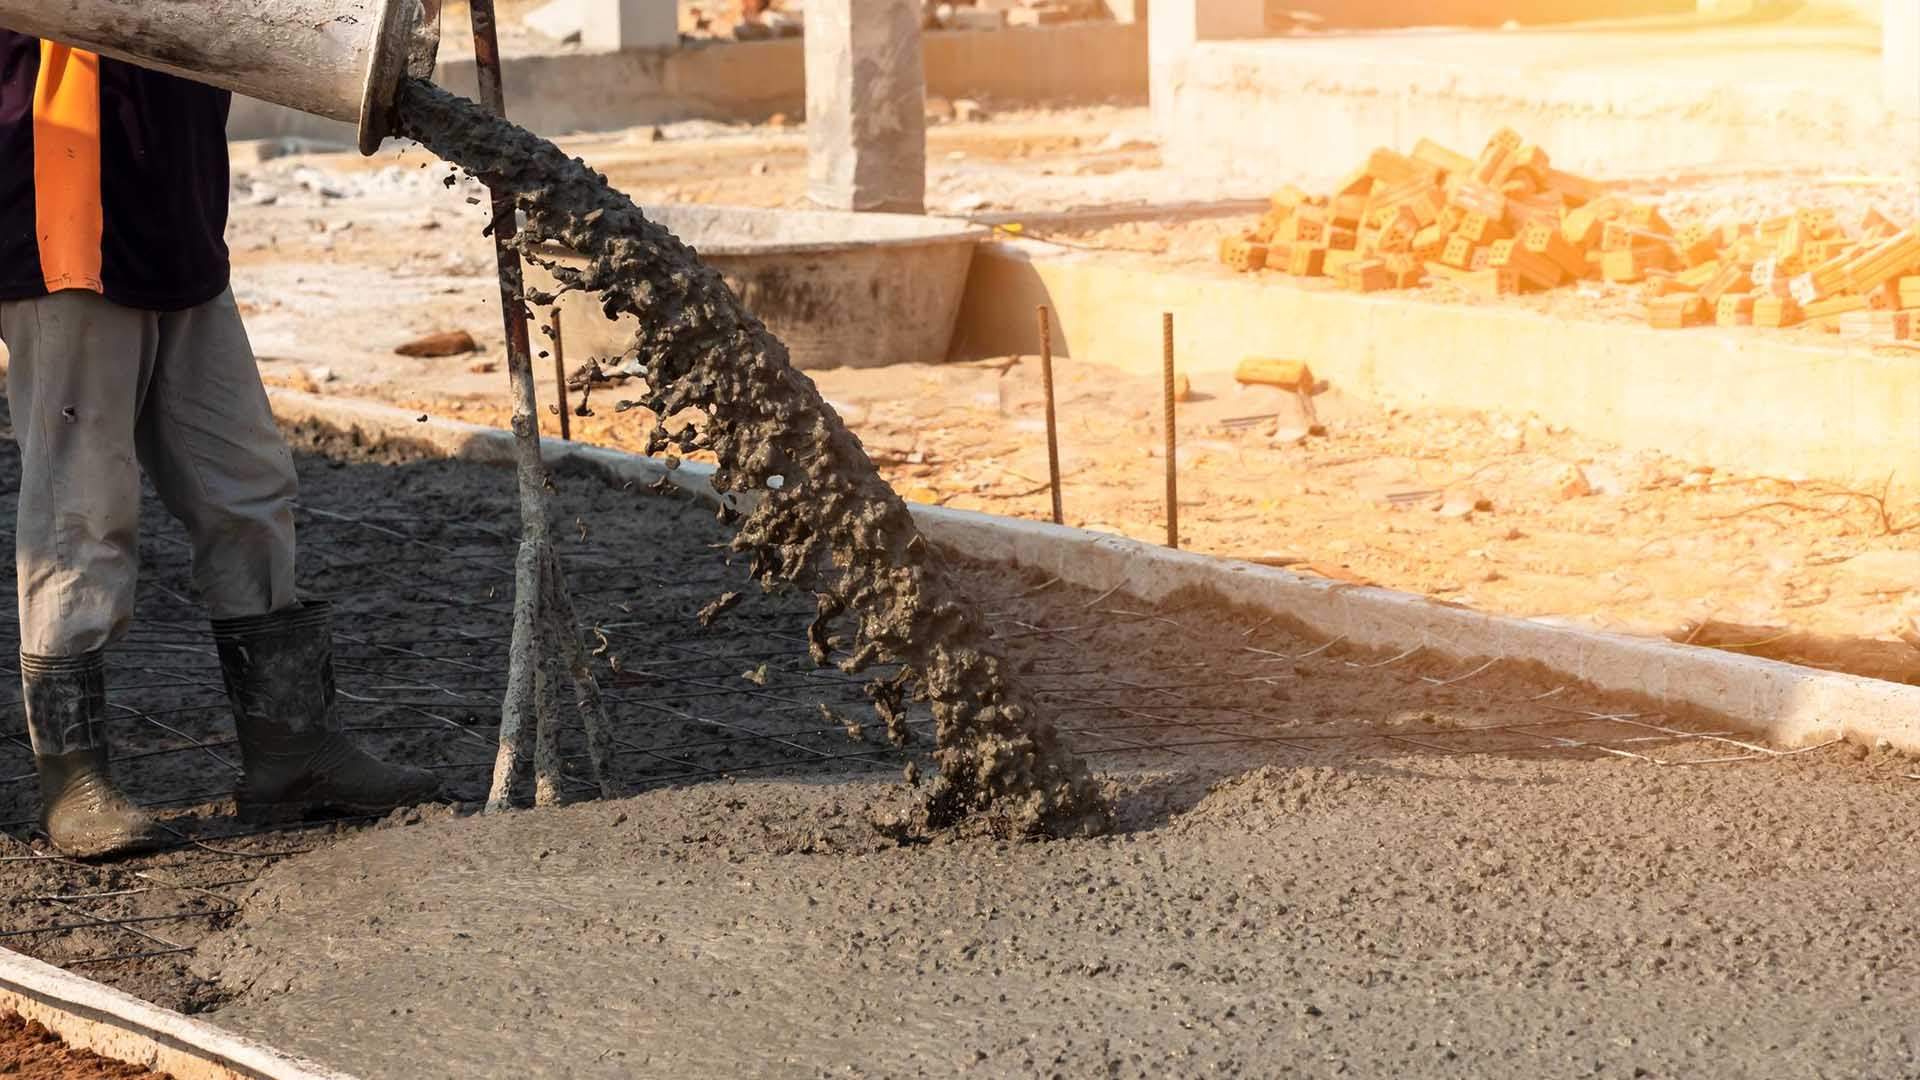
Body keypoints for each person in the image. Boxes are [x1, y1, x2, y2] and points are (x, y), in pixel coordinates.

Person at [0, 35, 441, 858]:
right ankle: (72, 779)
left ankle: (293, 753)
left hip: (179, 222)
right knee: (82, 508)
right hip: (70, 217)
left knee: (247, 485)